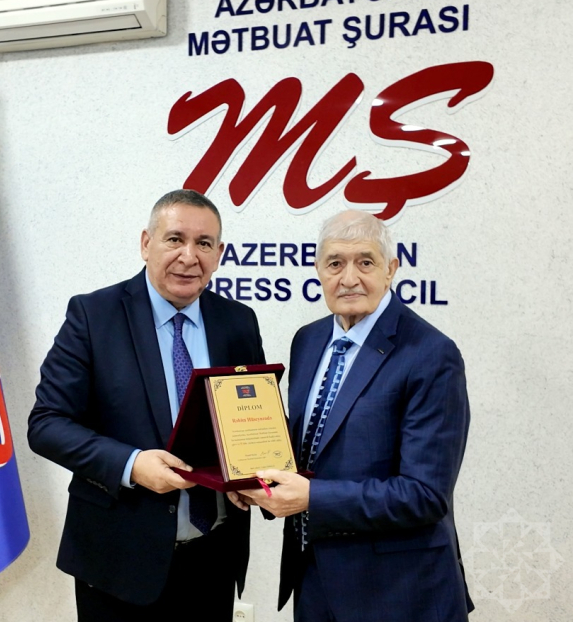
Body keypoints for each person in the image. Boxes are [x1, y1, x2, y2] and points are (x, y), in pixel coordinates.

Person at [28, 189, 265, 622]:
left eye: (204, 243)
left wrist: (251, 472)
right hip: (119, 562)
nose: (189, 256)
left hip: (213, 559)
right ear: (146, 243)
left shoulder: (238, 321)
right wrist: (132, 464)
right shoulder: (93, 316)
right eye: (175, 239)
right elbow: (46, 424)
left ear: (219, 254)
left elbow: (249, 420)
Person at [230, 210, 473, 622]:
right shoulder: (308, 340)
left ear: (391, 269)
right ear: (318, 270)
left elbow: (425, 495)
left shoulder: (431, 354)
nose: (349, 278)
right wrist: (253, 481)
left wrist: (311, 498)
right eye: (335, 263)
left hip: (399, 592)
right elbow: (305, 451)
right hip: (314, 582)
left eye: (365, 262)